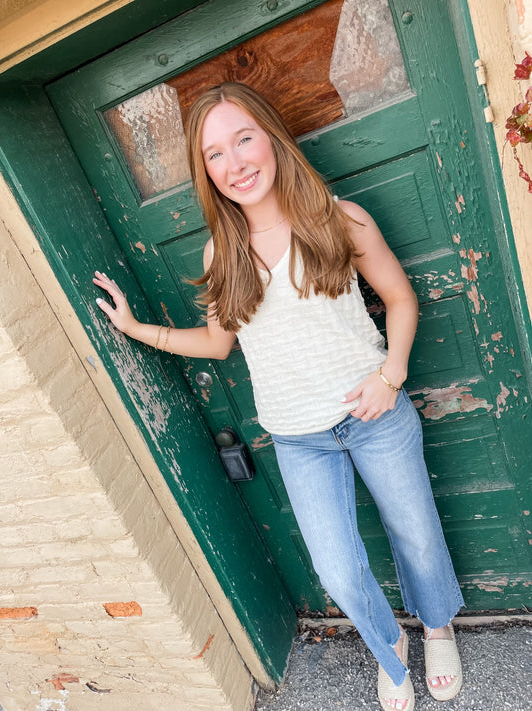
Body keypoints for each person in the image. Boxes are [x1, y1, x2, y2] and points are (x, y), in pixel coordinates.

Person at [93, 82, 464, 711]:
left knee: (418, 535)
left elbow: (401, 299)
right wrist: (137, 330)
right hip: (299, 439)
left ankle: (438, 625)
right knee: (339, 572)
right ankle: (388, 647)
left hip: (375, 416)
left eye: (243, 140)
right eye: (215, 154)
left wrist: (392, 375)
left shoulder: (338, 218)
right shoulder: (222, 252)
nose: (235, 164)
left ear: (271, 138)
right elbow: (218, 345)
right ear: (205, 172)